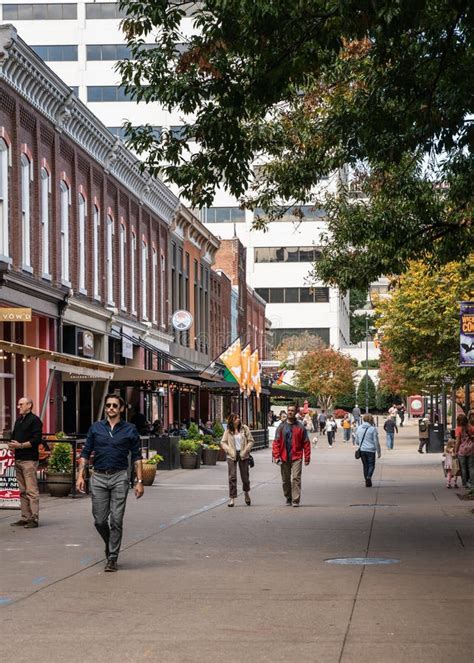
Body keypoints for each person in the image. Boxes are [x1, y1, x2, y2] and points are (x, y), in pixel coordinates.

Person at [76, 394, 144, 572]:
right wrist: (80, 476)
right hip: (98, 477)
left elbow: (137, 457)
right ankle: (109, 543)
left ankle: (112, 558)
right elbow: (85, 453)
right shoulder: (96, 428)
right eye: (108, 405)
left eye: (115, 405)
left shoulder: (130, 429)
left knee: (116, 520)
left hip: (119, 477)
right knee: (99, 520)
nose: (111, 408)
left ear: (121, 409)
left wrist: (139, 481)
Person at [8, 397, 43, 529]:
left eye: (21, 404)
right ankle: (25, 517)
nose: (19, 407)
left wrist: (20, 445)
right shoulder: (19, 420)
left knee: (31, 491)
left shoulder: (35, 420)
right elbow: (13, 437)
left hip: (29, 460)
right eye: (18, 404)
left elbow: (36, 440)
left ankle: (34, 518)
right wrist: (12, 445)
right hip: (18, 459)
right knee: (22, 491)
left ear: (29, 405)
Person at [272, 403, 311, 506]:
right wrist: (276, 456)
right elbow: (276, 442)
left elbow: (306, 443)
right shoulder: (281, 426)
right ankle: (288, 497)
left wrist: (307, 457)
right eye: (289, 410)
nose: (290, 412)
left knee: (296, 478)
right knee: (285, 480)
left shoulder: (300, 427)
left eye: (292, 410)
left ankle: (295, 500)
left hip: (296, 456)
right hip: (284, 457)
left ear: (295, 412)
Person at [220, 413, 254, 507]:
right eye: (236, 418)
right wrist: (229, 450)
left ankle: (246, 493)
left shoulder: (244, 428)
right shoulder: (228, 430)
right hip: (232, 455)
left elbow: (251, 440)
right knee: (232, 477)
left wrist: (246, 450)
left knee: (245, 477)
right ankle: (232, 498)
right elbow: (223, 442)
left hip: (243, 454)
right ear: (232, 420)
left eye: (239, 418)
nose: (238, 419)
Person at [356, 414, 381, 487]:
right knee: (371, 465)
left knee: (365, 465)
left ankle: (366, 479)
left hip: (362, 450)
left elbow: (357, 441)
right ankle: (368, 477)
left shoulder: (359, 428)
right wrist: (378, 452)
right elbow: (376, 441)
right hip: (371, 450)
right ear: (371, 420)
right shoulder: (373, 429)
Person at [454, 413, 474, 490]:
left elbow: (458, 441)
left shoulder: (458, 429)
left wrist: (455, 451)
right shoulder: (471, 428)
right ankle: (472, 483)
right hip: (471, 449)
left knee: (463, 468)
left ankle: (465, 483)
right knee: (471, 467)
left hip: (462, 451)